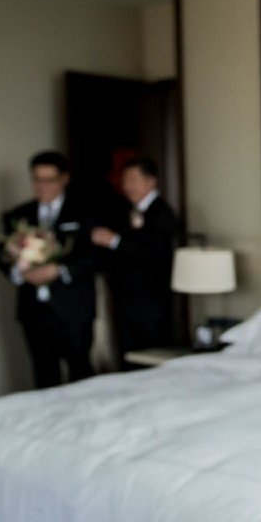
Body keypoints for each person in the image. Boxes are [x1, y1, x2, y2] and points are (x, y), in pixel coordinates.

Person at [0, 150, 98, 388]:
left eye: (48, 180)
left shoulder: (84, 212)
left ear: (63, 179)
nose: (41, 186)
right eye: (37, 179)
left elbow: (94, 256)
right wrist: (20, 273)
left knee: (80, 372)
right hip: (34, 311)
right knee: (43, 374)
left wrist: (59, 270)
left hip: (74, 309)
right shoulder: (18, 215)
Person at [91, 156, 180, 366]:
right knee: (127, 357)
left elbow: (154, 254)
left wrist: (116, 241)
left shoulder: (162, 212)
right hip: (126, 300)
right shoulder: (124, 210)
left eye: (133, 180)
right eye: (125, 180)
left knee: (149, 357)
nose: (127, 186)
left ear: (151, 181)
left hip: (151, 301)